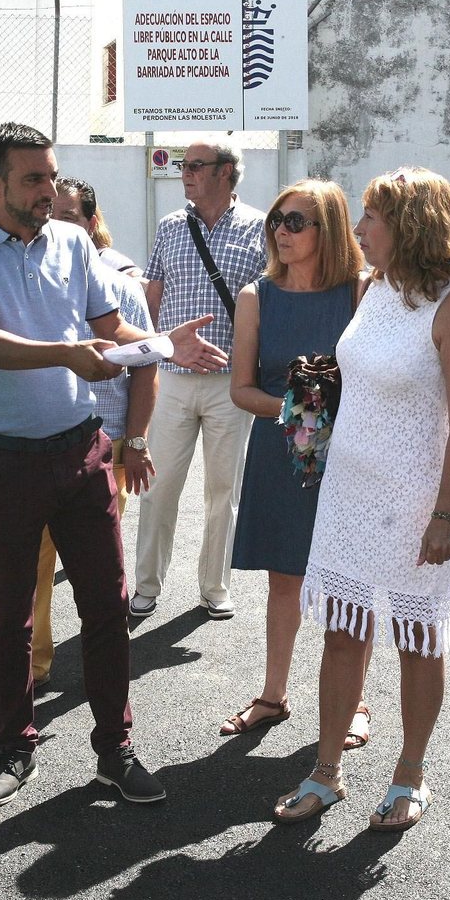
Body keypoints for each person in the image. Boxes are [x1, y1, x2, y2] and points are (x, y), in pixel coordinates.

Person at [0, 122, 226, 810]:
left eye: (53, 176)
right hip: (1, 457)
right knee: (6, 617)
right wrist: (66, 352)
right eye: (33, 179)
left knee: (105, 607)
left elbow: (109, 328)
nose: (49, 191)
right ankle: (15, 745)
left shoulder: (70, 241)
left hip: (81, 450)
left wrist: (160, 343)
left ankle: (113, 750)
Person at [272, 168, 450, 834]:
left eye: (372, 217)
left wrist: (446, 514)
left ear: (413, 223)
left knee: (417, 638)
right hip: (350, 491)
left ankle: (410, 774)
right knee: (343, 630)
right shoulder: (372, 287)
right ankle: (326, 772)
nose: (361, 229)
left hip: (416, 500)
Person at [224, 180, 374, 743]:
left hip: (352, 455)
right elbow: (241, 389)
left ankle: (355, 701)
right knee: (284, 580)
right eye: (275, 221)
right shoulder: (255, 296)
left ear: (328, 230)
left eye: (294, 222)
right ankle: (273, 695)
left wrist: (332, 417)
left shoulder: (362, 291)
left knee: (350, 584)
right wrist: (299, 411)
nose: (279, 232)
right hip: (279, 452)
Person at [132, 137, 267, 621]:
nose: (184, 173)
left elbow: (267, 305)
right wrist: (158, 346)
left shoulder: (260, 229)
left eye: (195, 166)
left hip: (232, 383)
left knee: (223, 491)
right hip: (170, 378)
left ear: (226, 171)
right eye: (182, 166)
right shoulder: (170, 227)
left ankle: (214, 587)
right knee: (159, 484)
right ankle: (145, 585)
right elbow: (151, 299)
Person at [30, 177, 156, 690]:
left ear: (90, 223)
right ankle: (33, 667)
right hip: (38, 445)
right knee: (33, 567)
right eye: (50, 214)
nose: (59, 224)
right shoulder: (28, 282)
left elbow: (145, 365)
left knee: (99, 571)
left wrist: (138, 442)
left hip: (107, 446)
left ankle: (97, 673)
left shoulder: (122, 287)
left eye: (70, 215)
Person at [54, 177, 143, 280]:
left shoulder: (106, 261)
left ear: (91, 225)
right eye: (48, 217)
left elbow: (141, 283)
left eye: (67, 218)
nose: (54, 225)